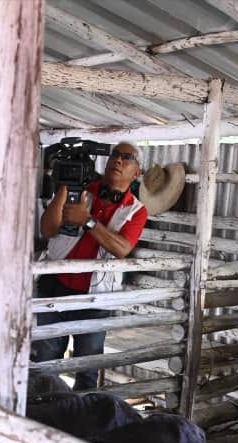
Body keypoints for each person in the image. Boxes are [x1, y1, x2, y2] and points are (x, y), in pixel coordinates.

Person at [31, 142, 148, 390]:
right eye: (115, 155)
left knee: (87, 367)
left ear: (137, 172)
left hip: (95, 299)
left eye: (127, 158)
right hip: (55, 291)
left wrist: (88, 221)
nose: (118, 160)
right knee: (45, 363)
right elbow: (47, 229)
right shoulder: (83, 191)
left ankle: (82, 421)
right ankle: (42, 417)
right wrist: (64, 188)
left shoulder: (136, 211)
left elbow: (122, 248)